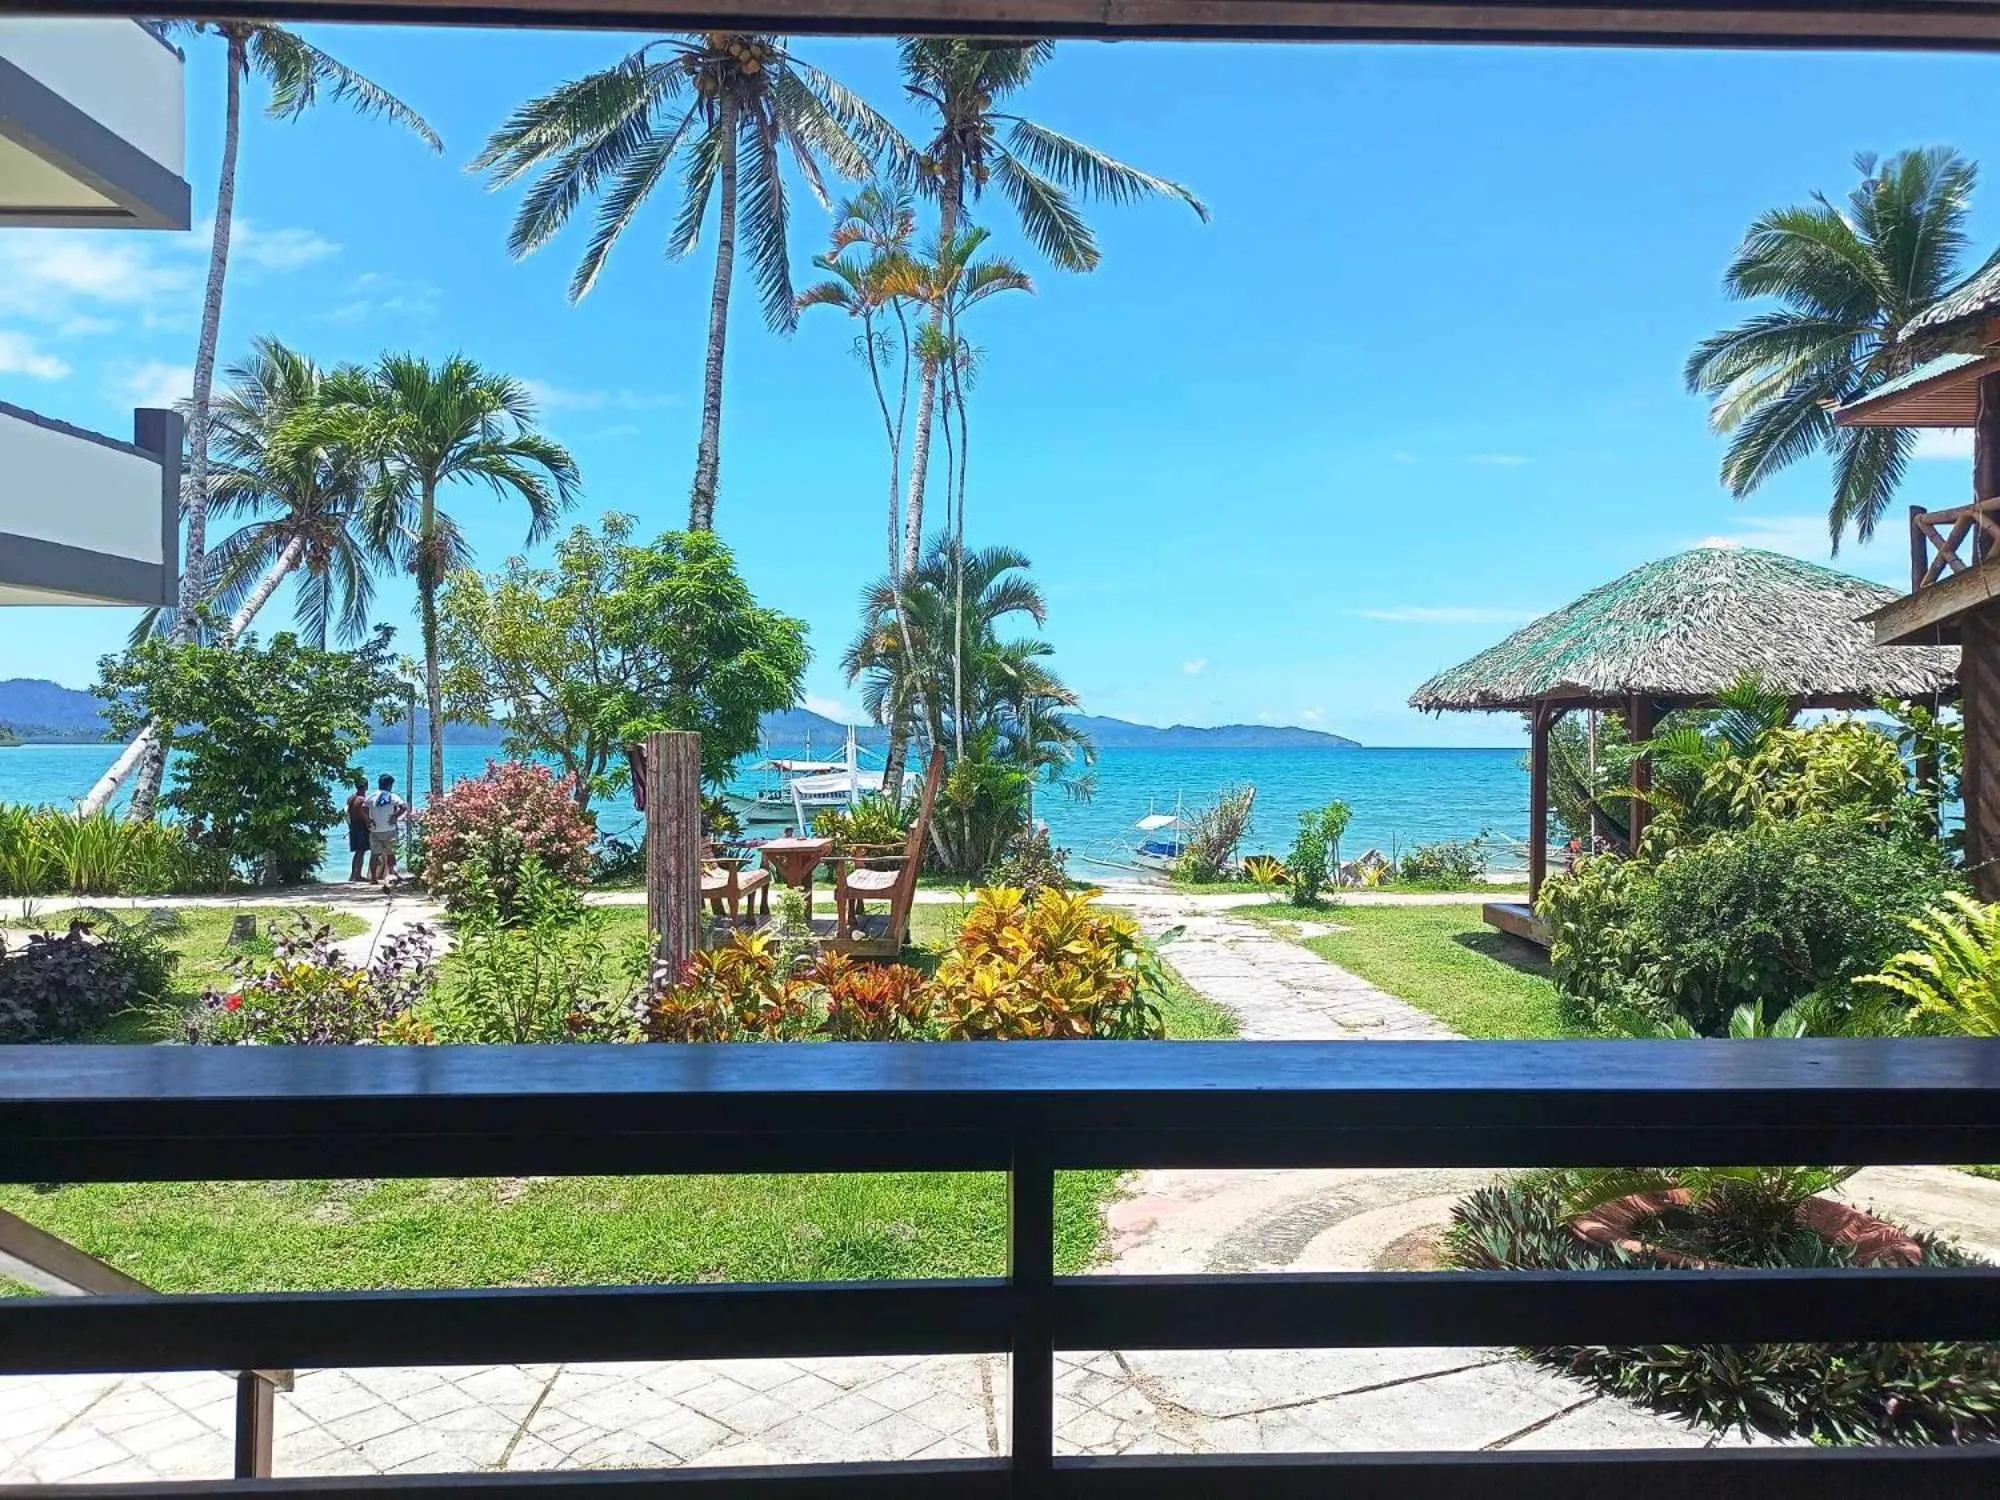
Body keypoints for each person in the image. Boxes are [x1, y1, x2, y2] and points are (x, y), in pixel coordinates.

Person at [367, 774, 410, 884]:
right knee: (391, 853)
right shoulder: (392, 796)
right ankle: (391, 874)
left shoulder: (372, 796)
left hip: (375, 829)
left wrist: (369, 820)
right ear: (389, 785)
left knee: (375, 854)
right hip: (390, 829)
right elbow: (404, 806)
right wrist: (395, 816)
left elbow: (363, 807)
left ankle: (373, 879)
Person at [345, 774, 372, 883]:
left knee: (358, 852)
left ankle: (353, 874)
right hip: (361, 827)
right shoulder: (362, 800)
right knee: (361, 852)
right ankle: (357, 875)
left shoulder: (351, 798)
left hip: (353, 826)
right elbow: (364, 814)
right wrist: (370, 824)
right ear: (366, 786)